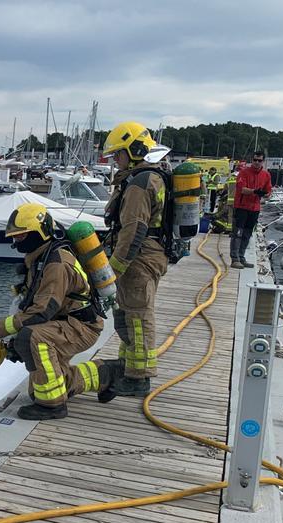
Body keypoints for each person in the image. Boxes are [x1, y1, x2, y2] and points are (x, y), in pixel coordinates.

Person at [0, 203, 120, 420]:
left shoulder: (56, 264)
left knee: (33, 338)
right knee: (43, 387)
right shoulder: (41, 257)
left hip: (80, 326)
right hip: (65, 323)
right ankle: (106, 374)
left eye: (21, 237)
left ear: (38, 233)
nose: (16, 242)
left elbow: (40, 313)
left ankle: (52, 407)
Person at [100, 121, 172, 397]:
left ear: (135, 150)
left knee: (139, 318)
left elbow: (133, 230)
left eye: (118, 154)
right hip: (148, 255)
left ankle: (139, 377)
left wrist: (113, 269)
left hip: (139, 260)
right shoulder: (150, 176)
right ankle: (128, 367)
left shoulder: (140, 184)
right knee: (130, 315)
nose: (115, 161)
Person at [231, 151, 273, 268]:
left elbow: (268, 190)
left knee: (247, 233)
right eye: (255, 160)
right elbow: (242, 189)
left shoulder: (266, 175)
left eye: (259, 160)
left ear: (263, 161)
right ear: (252, 160)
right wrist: (255, 191)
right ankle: (235, 258)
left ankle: (241, 256)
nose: (256, 162)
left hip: (254, 208)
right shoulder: (243, 173)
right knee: (238, 233)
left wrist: (266, 194)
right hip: (241, 207)